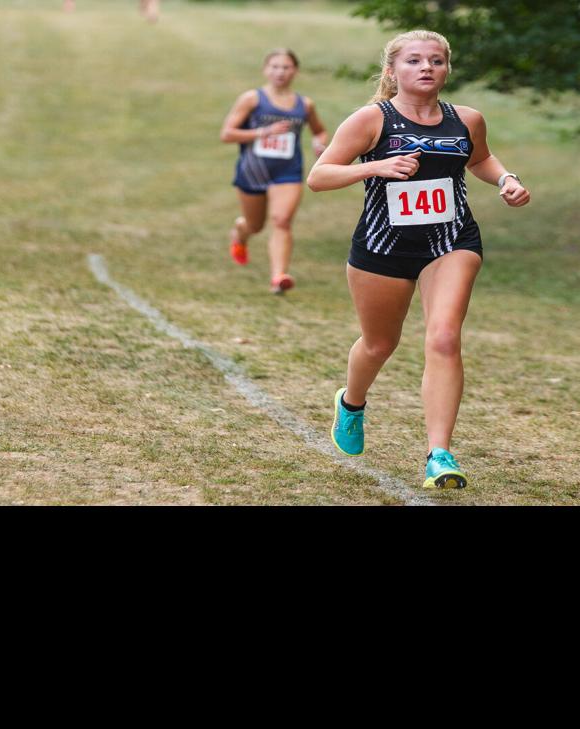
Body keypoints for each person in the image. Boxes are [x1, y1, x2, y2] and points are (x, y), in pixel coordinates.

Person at [307, 30, 530, 490]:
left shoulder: (466, 120)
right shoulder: (371, 120)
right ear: (393, 71)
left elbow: (481, 159)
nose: (426, 68)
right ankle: (351, 403)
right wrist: (375, 166)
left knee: (445, 337)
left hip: (451, 242)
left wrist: (506, 179)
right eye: (413, 61)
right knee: (379, 344)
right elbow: (319, 176)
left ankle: (439, 454)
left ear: (447, 69)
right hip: (382, 248)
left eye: (436, 61)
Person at [220, 48, 328, 294]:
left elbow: (319, 130)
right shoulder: (252, 99)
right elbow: (227, 134)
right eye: (275, 67)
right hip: (253, 171)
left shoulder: (304, 105)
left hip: (287, 172)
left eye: (286, 67)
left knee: (282, 221)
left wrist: (318, 142)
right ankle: (240, 232)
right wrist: (263, 132)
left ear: (295, 71)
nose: (280, 72)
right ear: (266, 70)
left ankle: (278, 277)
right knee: (255, 225)